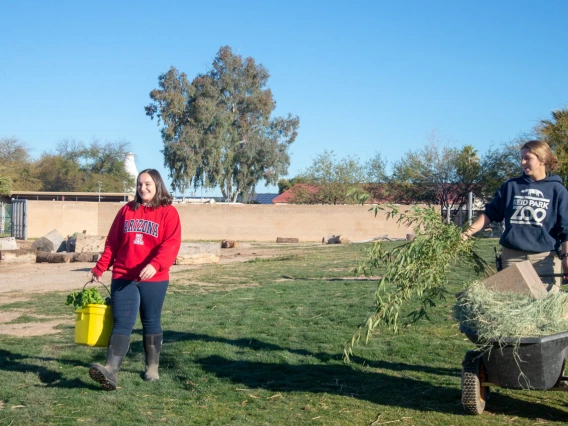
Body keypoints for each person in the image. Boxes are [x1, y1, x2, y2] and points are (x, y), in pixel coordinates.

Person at [87, 168, 181, 390]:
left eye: (147, 184)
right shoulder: (126, 211)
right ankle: (110, 370)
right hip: (123, 275)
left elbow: (171, 244)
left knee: (151, 321)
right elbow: (113, 243)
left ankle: (152, 367)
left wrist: (155, 264)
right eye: (139, 184)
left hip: (154, 278)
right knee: (122, 322)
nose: (143, 188)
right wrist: (100, 268)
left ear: (157, 184)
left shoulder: (168, 212)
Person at [464, 140, 568, 290]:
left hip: (544, 258)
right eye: (521, 158)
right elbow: (490, 213)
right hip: (512, 257)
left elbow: (566, 229)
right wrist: (466, 234)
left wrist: (566, 257)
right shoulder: (511, 186)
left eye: (528, 158)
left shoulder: (558, 190)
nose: (522, 162)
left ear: (542, 160)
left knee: (543, 308)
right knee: (512, 306)